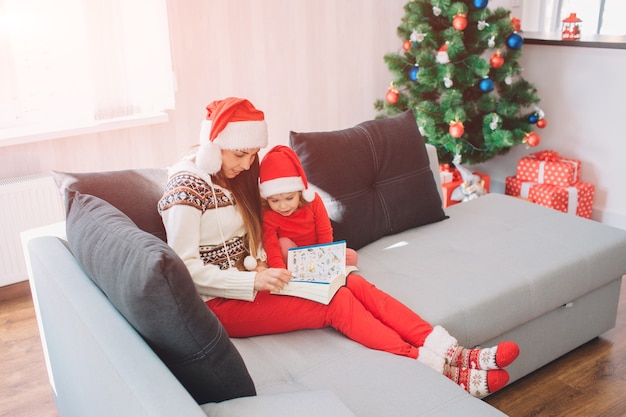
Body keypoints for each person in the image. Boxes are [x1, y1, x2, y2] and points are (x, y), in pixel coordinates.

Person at [158, 97, 519, 398]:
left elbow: (266, 226)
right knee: (336, 302)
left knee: (353, 282)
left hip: (259, 278)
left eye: (253, 155)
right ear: (211, 145)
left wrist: (282, 263)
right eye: (241, 154)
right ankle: (438, 368)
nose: (248, 164)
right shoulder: (186, 188)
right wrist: (255, 281)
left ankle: (452, 350)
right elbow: (184, 270)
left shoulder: (231, 173)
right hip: (220, 304)